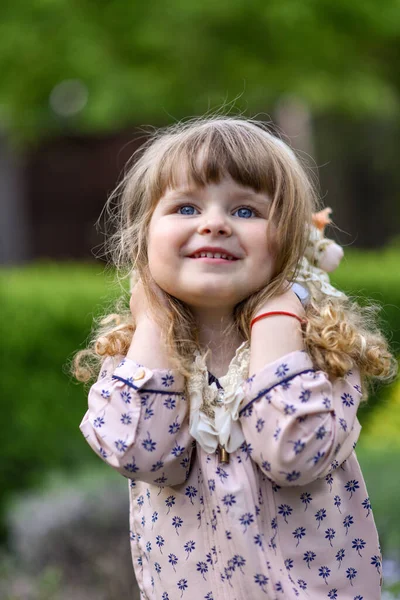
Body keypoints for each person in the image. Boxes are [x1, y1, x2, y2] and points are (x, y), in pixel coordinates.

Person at [74, 117, 397, 600]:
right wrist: (157, 323)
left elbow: (292, 457)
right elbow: (142, 455)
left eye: (246, 211)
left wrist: (277, 319)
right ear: (143, 238)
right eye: (185, 206)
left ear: (288, 239)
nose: (214, 223)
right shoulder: (133, 355)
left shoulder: (323, 348)